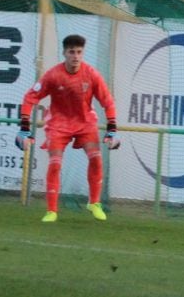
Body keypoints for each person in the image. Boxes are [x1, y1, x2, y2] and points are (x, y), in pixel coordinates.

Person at [16, 34, 120, 222]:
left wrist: (112, 128)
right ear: (64, 53)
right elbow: (30, 98)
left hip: (85, 122)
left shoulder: (91, 74)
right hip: (58, 124)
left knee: (96, 159)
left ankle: (94, 203)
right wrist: (24, 127)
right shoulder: (54, 75)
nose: (76, 56)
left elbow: (108, 101)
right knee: (55, 163)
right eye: (71, 52)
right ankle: (52, 211)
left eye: (79, 52)